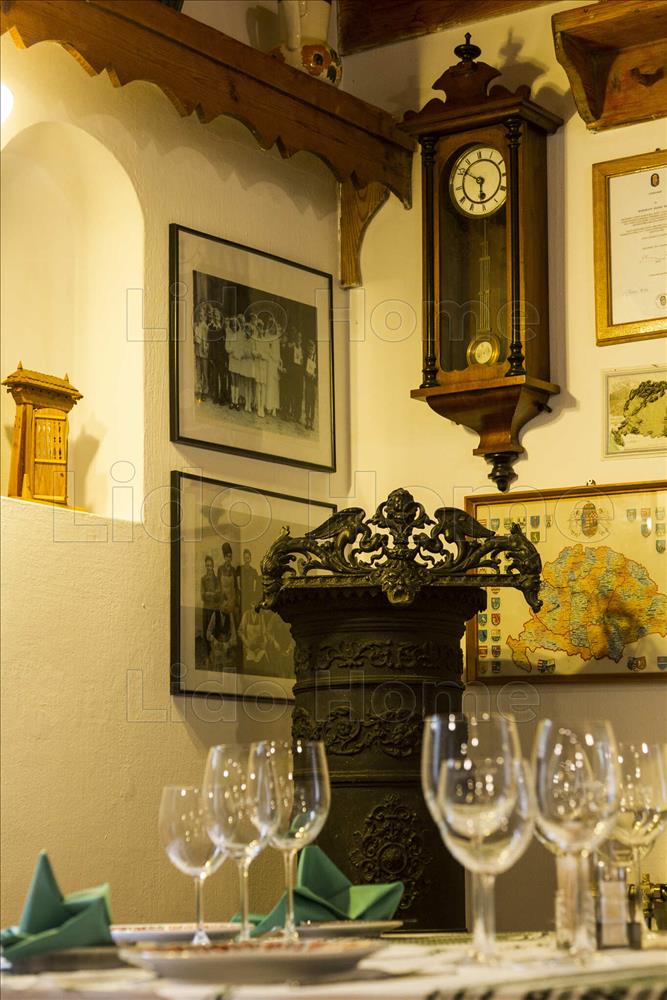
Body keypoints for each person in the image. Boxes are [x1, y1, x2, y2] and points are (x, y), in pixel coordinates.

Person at [206, 596, 238, 671]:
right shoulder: (215, 614)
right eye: (225, 605)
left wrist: (228, 644)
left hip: (226, 647)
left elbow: (234, 635)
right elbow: (208, 633)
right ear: (220, 606)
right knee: (217, 663)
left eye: (227, 605)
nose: (226, 608)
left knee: (227, 664)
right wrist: (214, 640)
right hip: (216, 647)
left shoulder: (230, 615)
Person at [238, 605, 270, 673]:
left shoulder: (261, 616)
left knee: (261, 665)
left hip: (258, 646)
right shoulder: (246, 615)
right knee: (250, 667)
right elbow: (240, 631)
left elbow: (264, 632)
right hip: (248, 646)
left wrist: (264, 642)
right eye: (253, 606)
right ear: (251, 605)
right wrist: (246, 642)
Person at [200, 555, 221, 657]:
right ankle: (208, 654)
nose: (209, 567)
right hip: (206, 609)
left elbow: (218, 594)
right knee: (206, 632)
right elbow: (202, 595)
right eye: (207, 565)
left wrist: (209, 593)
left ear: (213, 566)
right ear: (205, 566)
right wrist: (211, 594)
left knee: (215, 631)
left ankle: (215, 653)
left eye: (210, 565)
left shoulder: (216, 579)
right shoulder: (203, 579)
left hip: (215, 609)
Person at [217, 541, 240, 625]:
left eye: (230, 556)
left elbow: (236, 587)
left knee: (232, 624)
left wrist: (236, 601)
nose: (228, 559)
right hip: (223, 601)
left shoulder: (233, 570)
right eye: (227, 556)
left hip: (232, 601)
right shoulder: (220, 569)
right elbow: (219, 586)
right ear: (224, 557)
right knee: (224, 624)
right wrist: (222, 599)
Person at [304, 339, 317, 430]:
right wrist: (307, 374)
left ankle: (312, 422)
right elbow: (303, 369)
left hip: (314, 384)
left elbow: (319, 371)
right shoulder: (306, 359)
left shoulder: (317, 359)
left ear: (314, 349)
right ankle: (307, 421)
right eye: (310, 348)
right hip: (308, 383)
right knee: (307, 402)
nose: (311, 350)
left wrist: (315, 375)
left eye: (312, 348)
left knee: (313, 403)